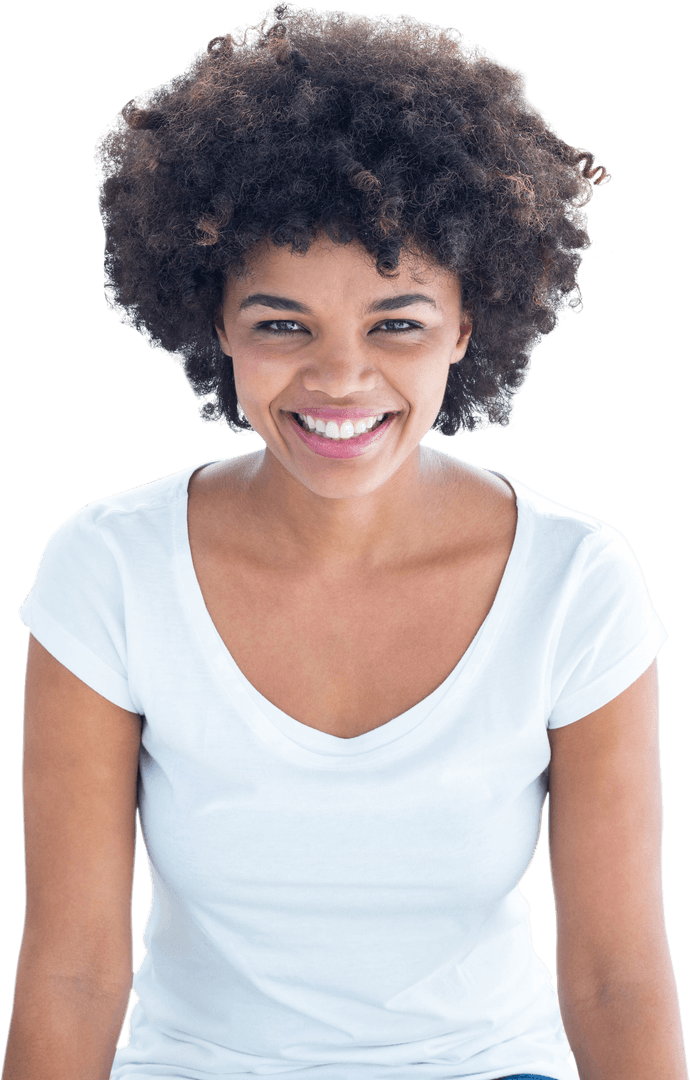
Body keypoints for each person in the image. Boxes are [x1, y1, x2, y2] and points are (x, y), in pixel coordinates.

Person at [4, 3, 687, 1078]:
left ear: (468, 323)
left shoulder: (574, 580)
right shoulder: (111, 568)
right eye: (282, 324)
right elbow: (73, 969)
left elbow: (615, 975)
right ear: (213, 320)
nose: (340, 380)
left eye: (397, 324)